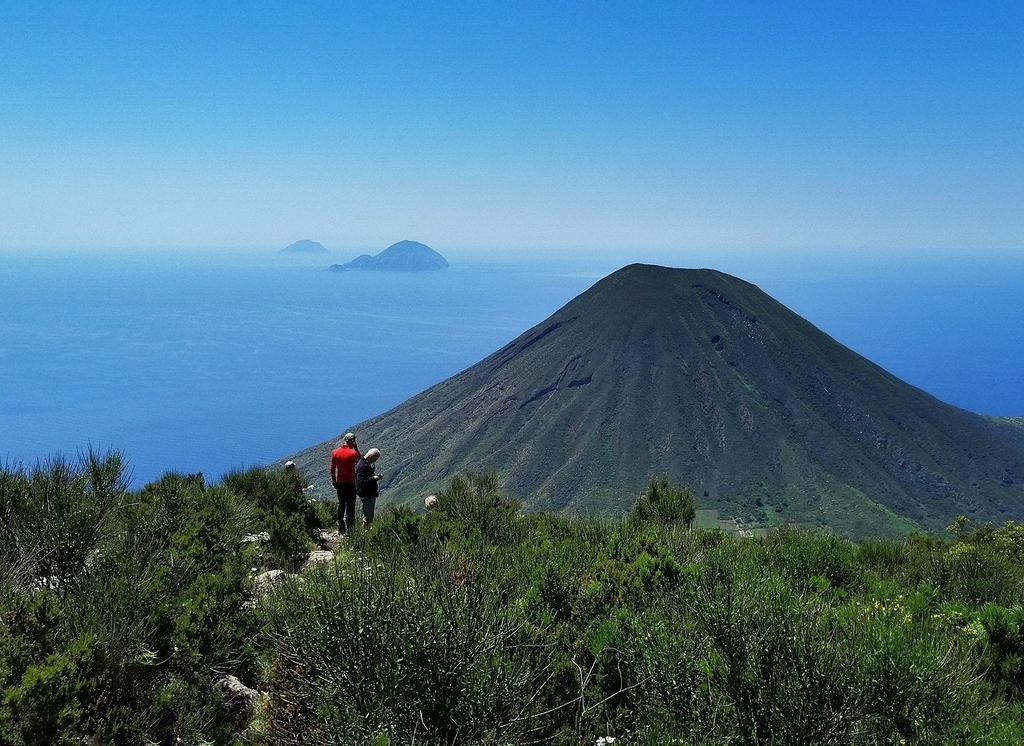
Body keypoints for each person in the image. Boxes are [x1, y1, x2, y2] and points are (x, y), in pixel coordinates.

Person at [330, 433, 360, 533]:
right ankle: (350, 529)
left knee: (341, 505)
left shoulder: (335, 452)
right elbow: (360, 461)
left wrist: (334, 481)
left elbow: (332, 468)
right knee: (350, 506)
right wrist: (356, 448)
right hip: (351, 483)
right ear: (353, 441)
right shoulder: (354, 453)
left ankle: (341, 528)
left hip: (340, 483)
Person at [355, 447, 383, 528]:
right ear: (371, 456)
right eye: (375, 458)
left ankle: (366, 530)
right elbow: (361, 482)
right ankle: (366, 532)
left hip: (368, 493)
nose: (375, 461)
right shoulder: (362, 466)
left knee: (368, 514)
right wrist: (374, 478)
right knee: (367, 515)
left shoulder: (365, 463)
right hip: (367, 494)